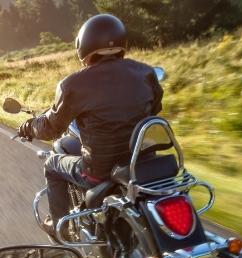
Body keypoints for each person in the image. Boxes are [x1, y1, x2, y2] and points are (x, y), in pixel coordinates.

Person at [15, 14, 164, 237]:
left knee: (52, 164)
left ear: (84, 46)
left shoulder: (73, 84)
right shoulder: (145, 72)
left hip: (99, 169)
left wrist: (29, 126)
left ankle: (60, 228)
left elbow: (51, 128)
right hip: (142, 159)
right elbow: (155, 109)